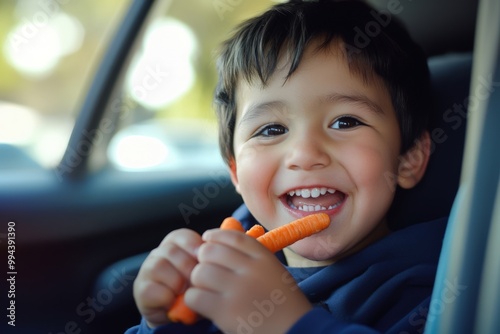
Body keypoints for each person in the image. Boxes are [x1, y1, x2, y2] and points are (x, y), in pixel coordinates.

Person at [126, 0, 447, 333]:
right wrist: (163, 322)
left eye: (345, 122)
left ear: (408, 158)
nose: (305, 154)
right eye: (271, 130)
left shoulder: (435, 285)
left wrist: (286, 323)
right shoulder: (216, 263)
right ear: (235, 170)